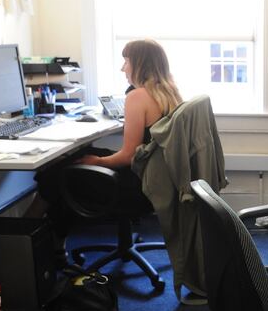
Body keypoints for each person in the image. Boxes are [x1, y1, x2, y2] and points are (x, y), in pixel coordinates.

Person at [34, 39, 183, 264]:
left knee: (56, 175)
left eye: (126, 61)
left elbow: (128, 156)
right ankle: (52, 244)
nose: (123, 68)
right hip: (158, 180)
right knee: (73, 160)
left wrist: (96, 161)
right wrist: (94, 158)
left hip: (138, 184)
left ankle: (28, 236)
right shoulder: (170, 91)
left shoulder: (138, 96)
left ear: (140, 64)